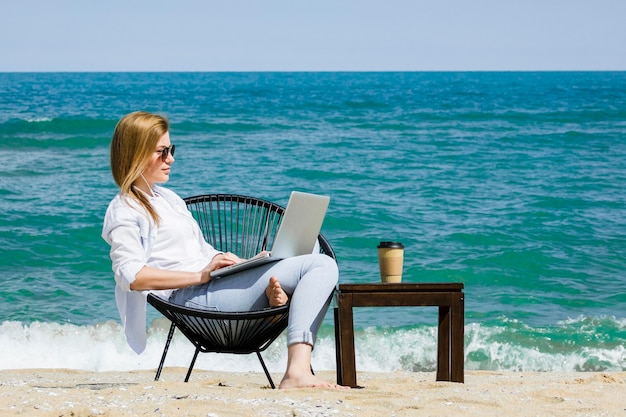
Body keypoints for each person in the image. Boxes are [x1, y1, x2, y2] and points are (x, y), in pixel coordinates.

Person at [102, 111, 347, 389]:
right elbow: (131, 277)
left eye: (171, 150)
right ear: (136, 153)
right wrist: (201, 275)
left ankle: (275, 295)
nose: (171, 159)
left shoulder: (166, 198)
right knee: (321, 265)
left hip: (214, 286)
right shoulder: (124, 209)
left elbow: (196, 252)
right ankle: (296, 372)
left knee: (311, 247)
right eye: (162, 152)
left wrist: (237, 263)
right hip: (193, 299)